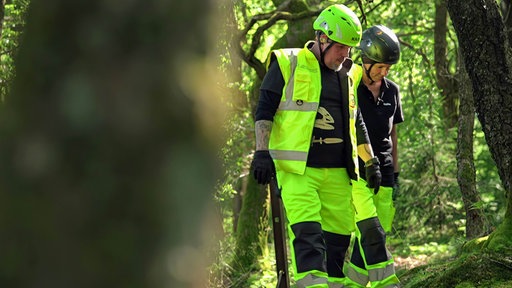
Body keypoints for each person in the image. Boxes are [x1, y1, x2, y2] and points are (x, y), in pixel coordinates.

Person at [250, 4, 383, 287]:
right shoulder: (288, 62)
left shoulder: (348, 73)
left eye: (349, 49)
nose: (345, 54)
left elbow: (355, 120)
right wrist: (261, 152)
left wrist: (369, 161)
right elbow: (264, 109)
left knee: (337, 245)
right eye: (341, 47)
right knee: (309, 238)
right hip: (298, 172)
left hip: (339, 174)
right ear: (323, 38)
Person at [344, 25, 403, 288]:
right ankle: (387, 284)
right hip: (357, 172)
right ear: (366, 60)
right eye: (379, 66)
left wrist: (396, 172)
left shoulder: (392, 91)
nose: (384, 72)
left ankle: (352, 284)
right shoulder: (349, 86)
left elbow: (393, 135)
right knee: (370, 231)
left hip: (387, 173)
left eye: (388, 67)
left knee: (375, 235)